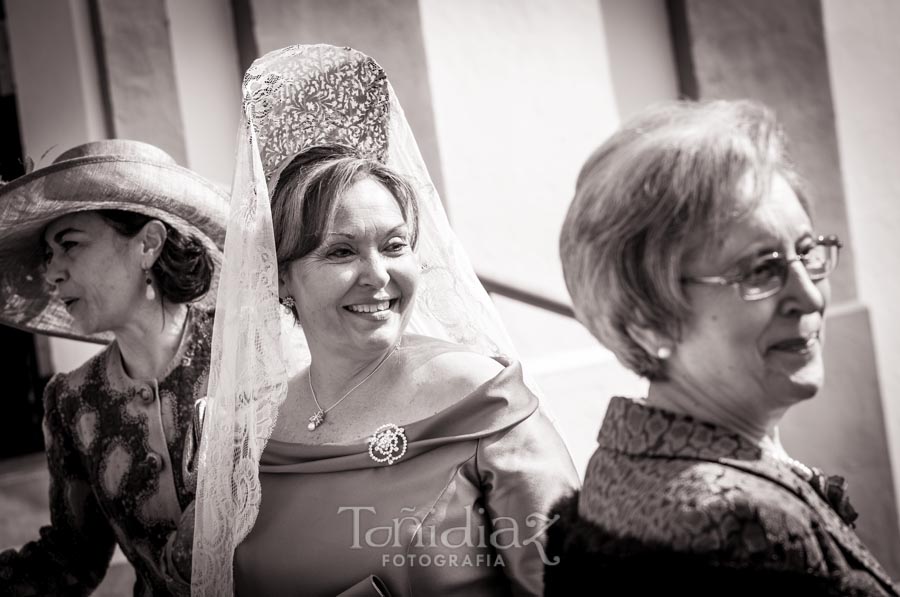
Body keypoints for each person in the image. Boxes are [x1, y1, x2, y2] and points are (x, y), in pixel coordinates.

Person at [190, 44, 579, 597]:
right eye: (341, 252)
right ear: (280, 280)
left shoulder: (482, 403)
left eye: (394, 246)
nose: (378, 275)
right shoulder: (254, 431)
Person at [544, 100, 900, 595]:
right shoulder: (739, 531)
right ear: (648, 320)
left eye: (805, 253)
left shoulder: (627, 455)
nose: (811, 295)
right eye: (760, 270)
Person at [0, 139, 228, 596]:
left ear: (148, 244)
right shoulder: (71, 400)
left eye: (70, 245)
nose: (53, 272)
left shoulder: (244, 351)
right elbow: (71, 559)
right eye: (48, 255)